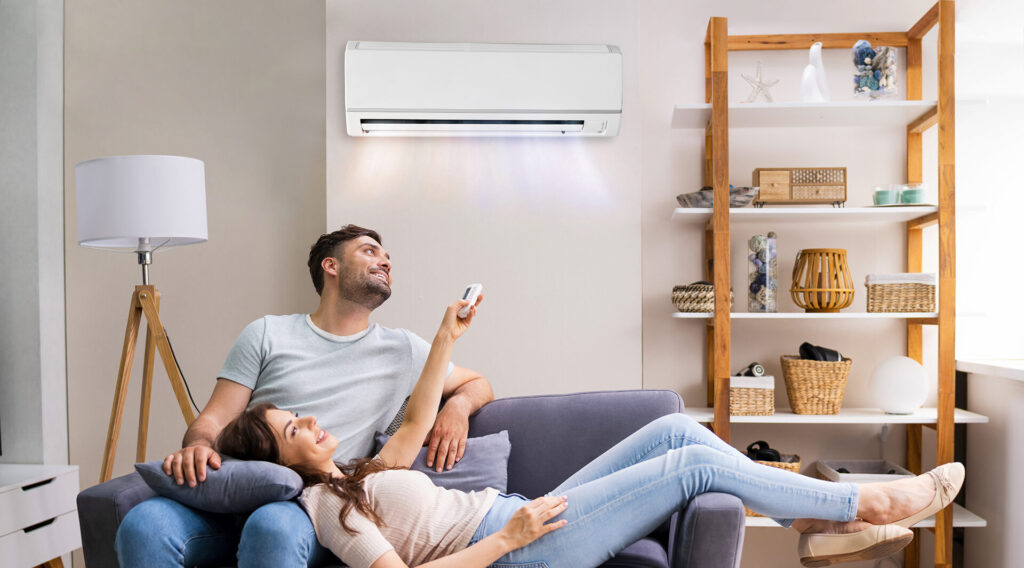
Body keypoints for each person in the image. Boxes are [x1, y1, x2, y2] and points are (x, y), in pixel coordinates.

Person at [217, 296, 966, 568]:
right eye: (292, 427)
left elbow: (420, 413)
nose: (309, 419)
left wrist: (446, 335)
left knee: (679, 432)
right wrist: (505, 543)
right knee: (692, 472)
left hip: (523, 514)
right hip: (520, 547)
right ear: (279, 461)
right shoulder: (325, 510)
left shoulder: (358, 470)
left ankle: (809, 516)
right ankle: (858, 508)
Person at [115, 225, 495, 567]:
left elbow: (478, 383)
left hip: (311, 502)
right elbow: (215, 419)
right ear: (330, 266)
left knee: (272, 526)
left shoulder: (404, 349)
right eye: (369, 251)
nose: (385, 262)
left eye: (388, 257)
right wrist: (198, 444)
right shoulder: (266, 334)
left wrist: (457, 407)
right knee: (143, 524)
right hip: (237, 485)